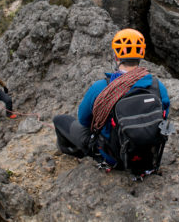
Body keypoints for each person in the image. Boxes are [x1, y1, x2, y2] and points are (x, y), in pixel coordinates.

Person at [53, 28, 170, 169]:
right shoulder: (157, 86)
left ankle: (75, 152)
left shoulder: (102, 87)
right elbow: (163, 117)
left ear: (116, 56)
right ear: (141, 54)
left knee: (59, 121)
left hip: (113, 157)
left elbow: (84, 120)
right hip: (148, 155)